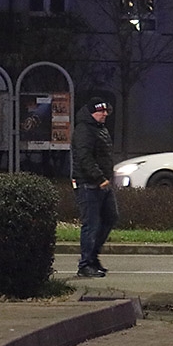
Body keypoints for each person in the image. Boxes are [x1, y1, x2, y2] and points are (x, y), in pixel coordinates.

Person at [71, 97, 118, 278]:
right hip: (88, 184)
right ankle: (85, 264)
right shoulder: (84, 130)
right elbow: (85, 158)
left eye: (106, 111)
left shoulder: (100, 129)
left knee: (110, 217)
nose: (105, 114)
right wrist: (99, 178)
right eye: (101, 111)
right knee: (91, 224)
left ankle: (92, 257)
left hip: (101, 183)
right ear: (92, 112)